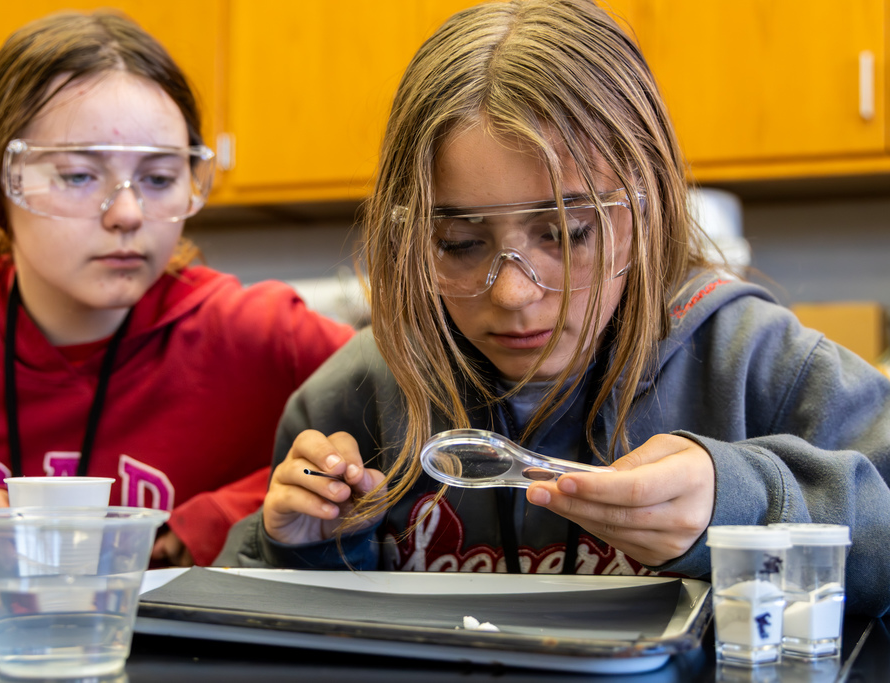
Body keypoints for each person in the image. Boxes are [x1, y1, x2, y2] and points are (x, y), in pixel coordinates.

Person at [235, 0, 890, 617]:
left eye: (567, 234)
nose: (514, 294)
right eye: (459, 243)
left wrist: (747, 500)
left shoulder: (759, 366)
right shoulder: (346, 402)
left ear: (647, 206)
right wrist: (301, 548)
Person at [0, 10, 353, 573]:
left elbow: (417, 415)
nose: (127, 213)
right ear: (0, 182)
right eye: (78, 176)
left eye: (159, 178)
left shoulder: (261, 332)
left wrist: (216, 518)